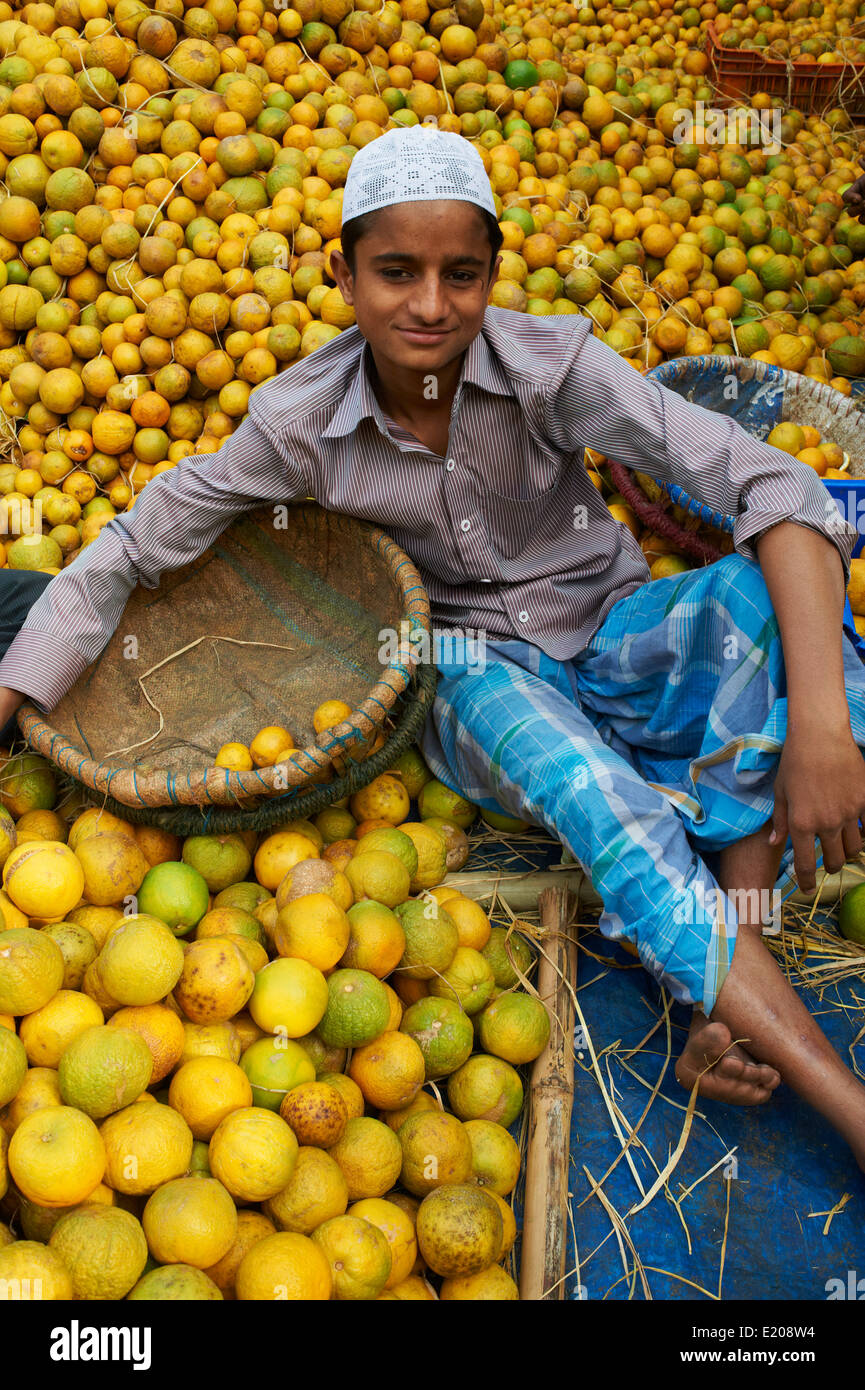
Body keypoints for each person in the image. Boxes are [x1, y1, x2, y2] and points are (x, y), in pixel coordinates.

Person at [2, 125, 865, 1163]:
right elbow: (135, 546)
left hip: (605, 626)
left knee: (765, 608)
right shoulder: (297, 423)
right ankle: (847, 1111)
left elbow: (776, 486)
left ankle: (726, 993)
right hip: (464, 669)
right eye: (395, 272)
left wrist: (822, 727)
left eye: (461, 274)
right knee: (595, 796)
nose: (429, 304)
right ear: (343, 273)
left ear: (494, 274)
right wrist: (15, 691)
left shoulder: (555, 364)